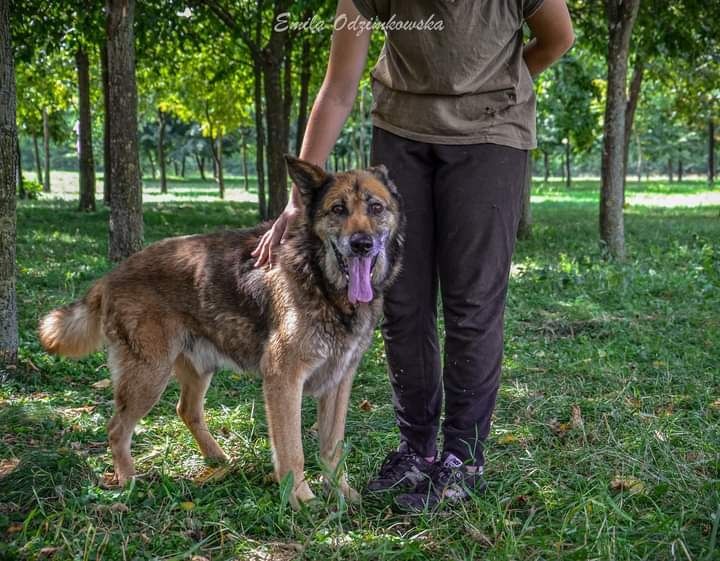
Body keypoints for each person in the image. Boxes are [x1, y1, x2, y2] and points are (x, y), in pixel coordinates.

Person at [253, 0, 574, 512]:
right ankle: (417, 449)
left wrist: (492, 90)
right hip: (403, 136)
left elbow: (557, 38)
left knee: (472, 303)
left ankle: (462, 460)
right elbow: (338, 88)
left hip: (491, 136)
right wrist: (298, 199)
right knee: (401, 302)